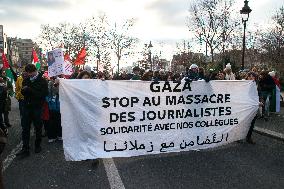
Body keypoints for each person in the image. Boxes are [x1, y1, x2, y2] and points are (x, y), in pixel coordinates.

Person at [16, 64, 48, 158]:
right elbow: (23, 93)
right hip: (26, 107)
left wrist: (30, 90)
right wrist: (23, 90)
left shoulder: (42, 81)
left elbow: (43, 94)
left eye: (30, 72)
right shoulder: (26, 80)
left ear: (35, 71)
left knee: (38, 128)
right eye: (27, 72)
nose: (29, 74)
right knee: (25, 128)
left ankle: (37, 145)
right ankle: (25, 149)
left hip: (37, 108)